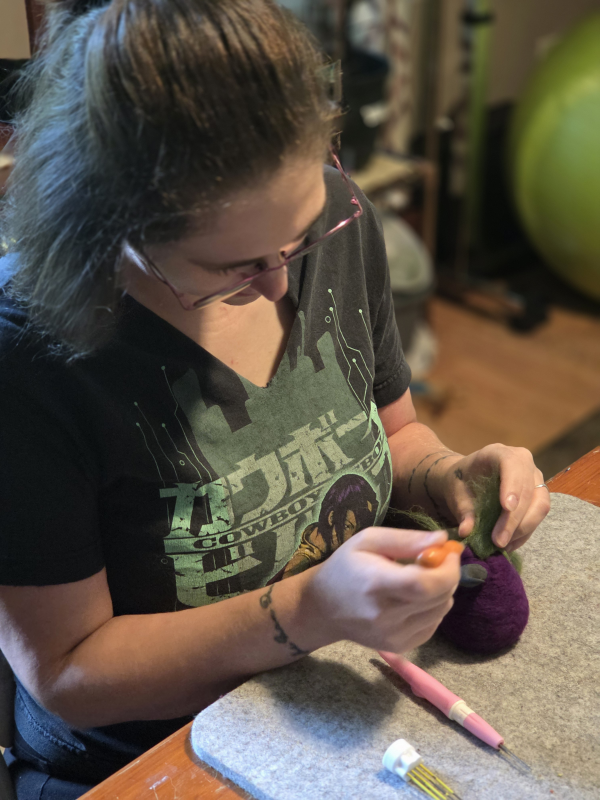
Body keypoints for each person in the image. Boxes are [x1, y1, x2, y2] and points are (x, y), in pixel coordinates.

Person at [0, 0, 551, 797]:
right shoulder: (28, 358)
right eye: (232, 267)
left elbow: (393, 435)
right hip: (150, 758)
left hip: (333, 690)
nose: (281, 282)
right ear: (105, 227)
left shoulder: (332, 214)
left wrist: (448, 473)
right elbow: (67, 672)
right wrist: (308, 610)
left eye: (300, 237)